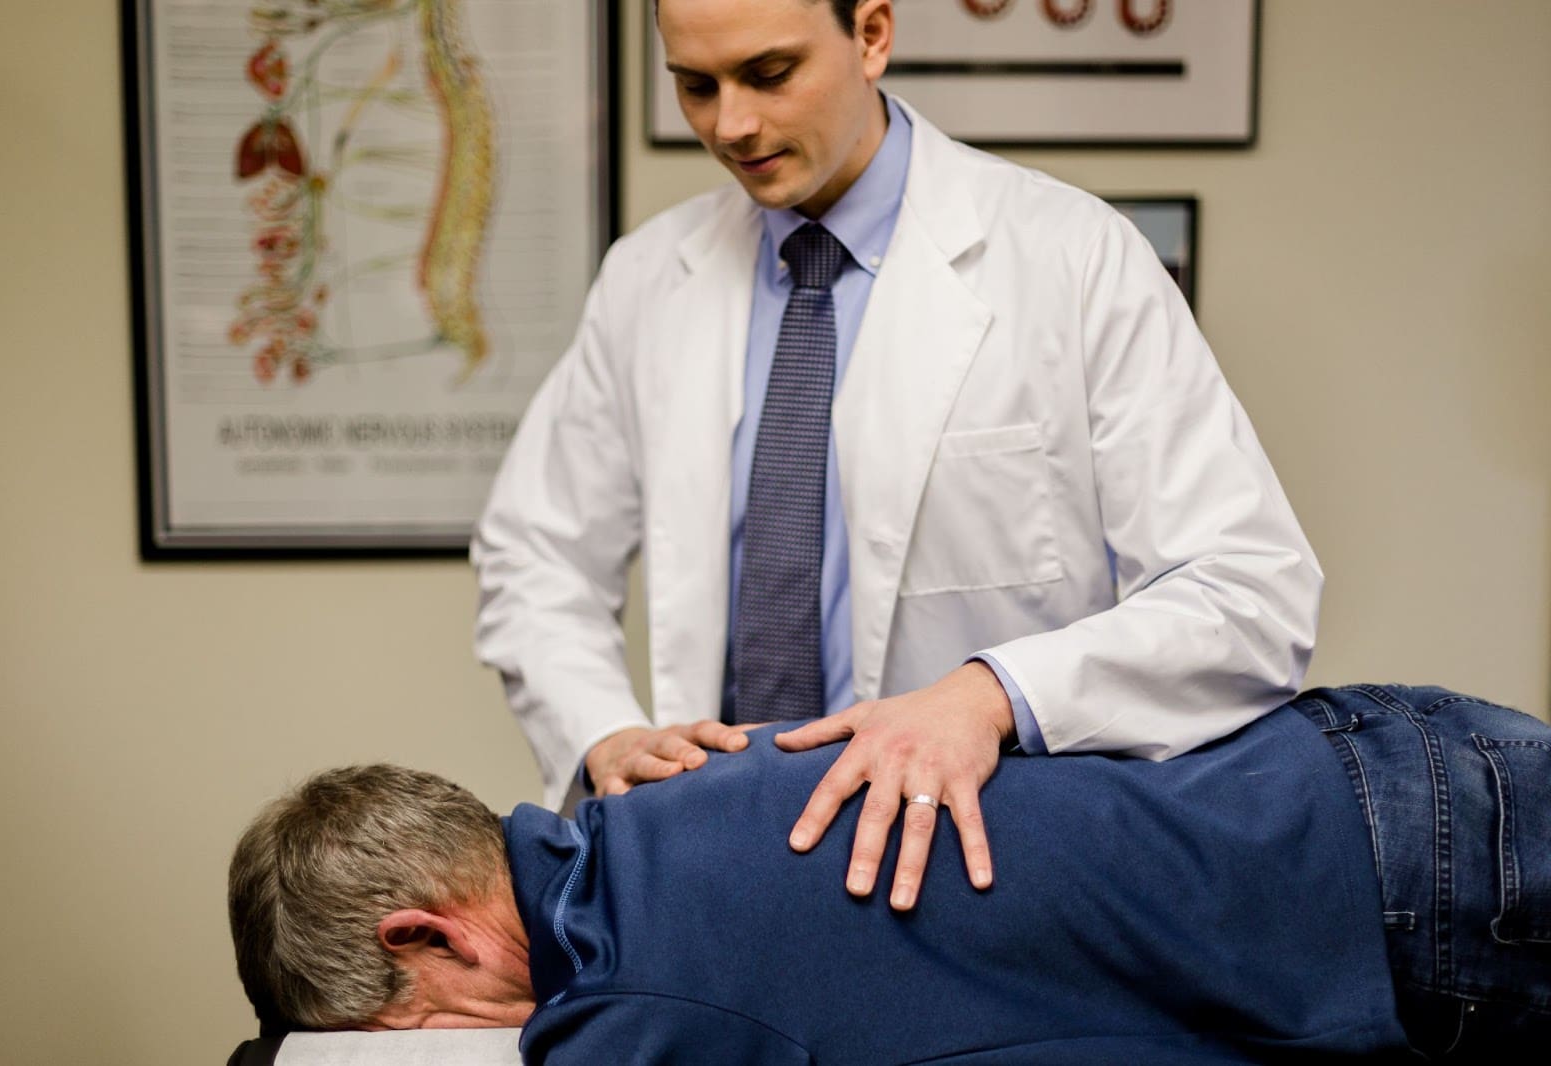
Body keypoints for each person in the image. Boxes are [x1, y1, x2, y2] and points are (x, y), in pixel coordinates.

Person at [471, 0, 1322, 910]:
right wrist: (604, 732)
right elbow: (535, 553)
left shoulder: (1071, 257)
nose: (731, 125)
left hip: (986, 864)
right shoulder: (648, 279)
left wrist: (995, 693)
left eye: (768, 74)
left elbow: (1247, 591)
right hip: (717, 866)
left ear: (872, 36)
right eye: (695, 85)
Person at [229, 686, 1550, 1063]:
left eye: (408, 1040)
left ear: (430, 936)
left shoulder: (630, 1010)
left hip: (1420, 899)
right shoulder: (683, 780)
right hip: (1394, 757)